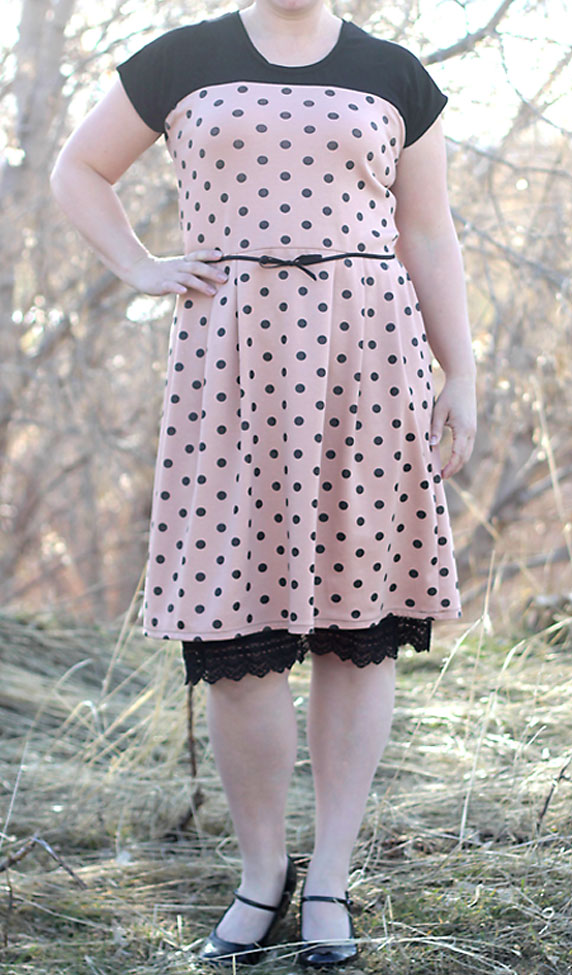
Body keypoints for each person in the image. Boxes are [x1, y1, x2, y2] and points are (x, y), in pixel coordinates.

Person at [51, 0, 476, 966]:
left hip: (369, 354)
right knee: (234, 626)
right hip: (229, 358)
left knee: (356, 630)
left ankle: (328, 875)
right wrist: (138, 265)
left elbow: (431, 234)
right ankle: (261, 875)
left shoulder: (395, 72)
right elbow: (78, 169)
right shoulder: (181, 57)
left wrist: (464, 372)